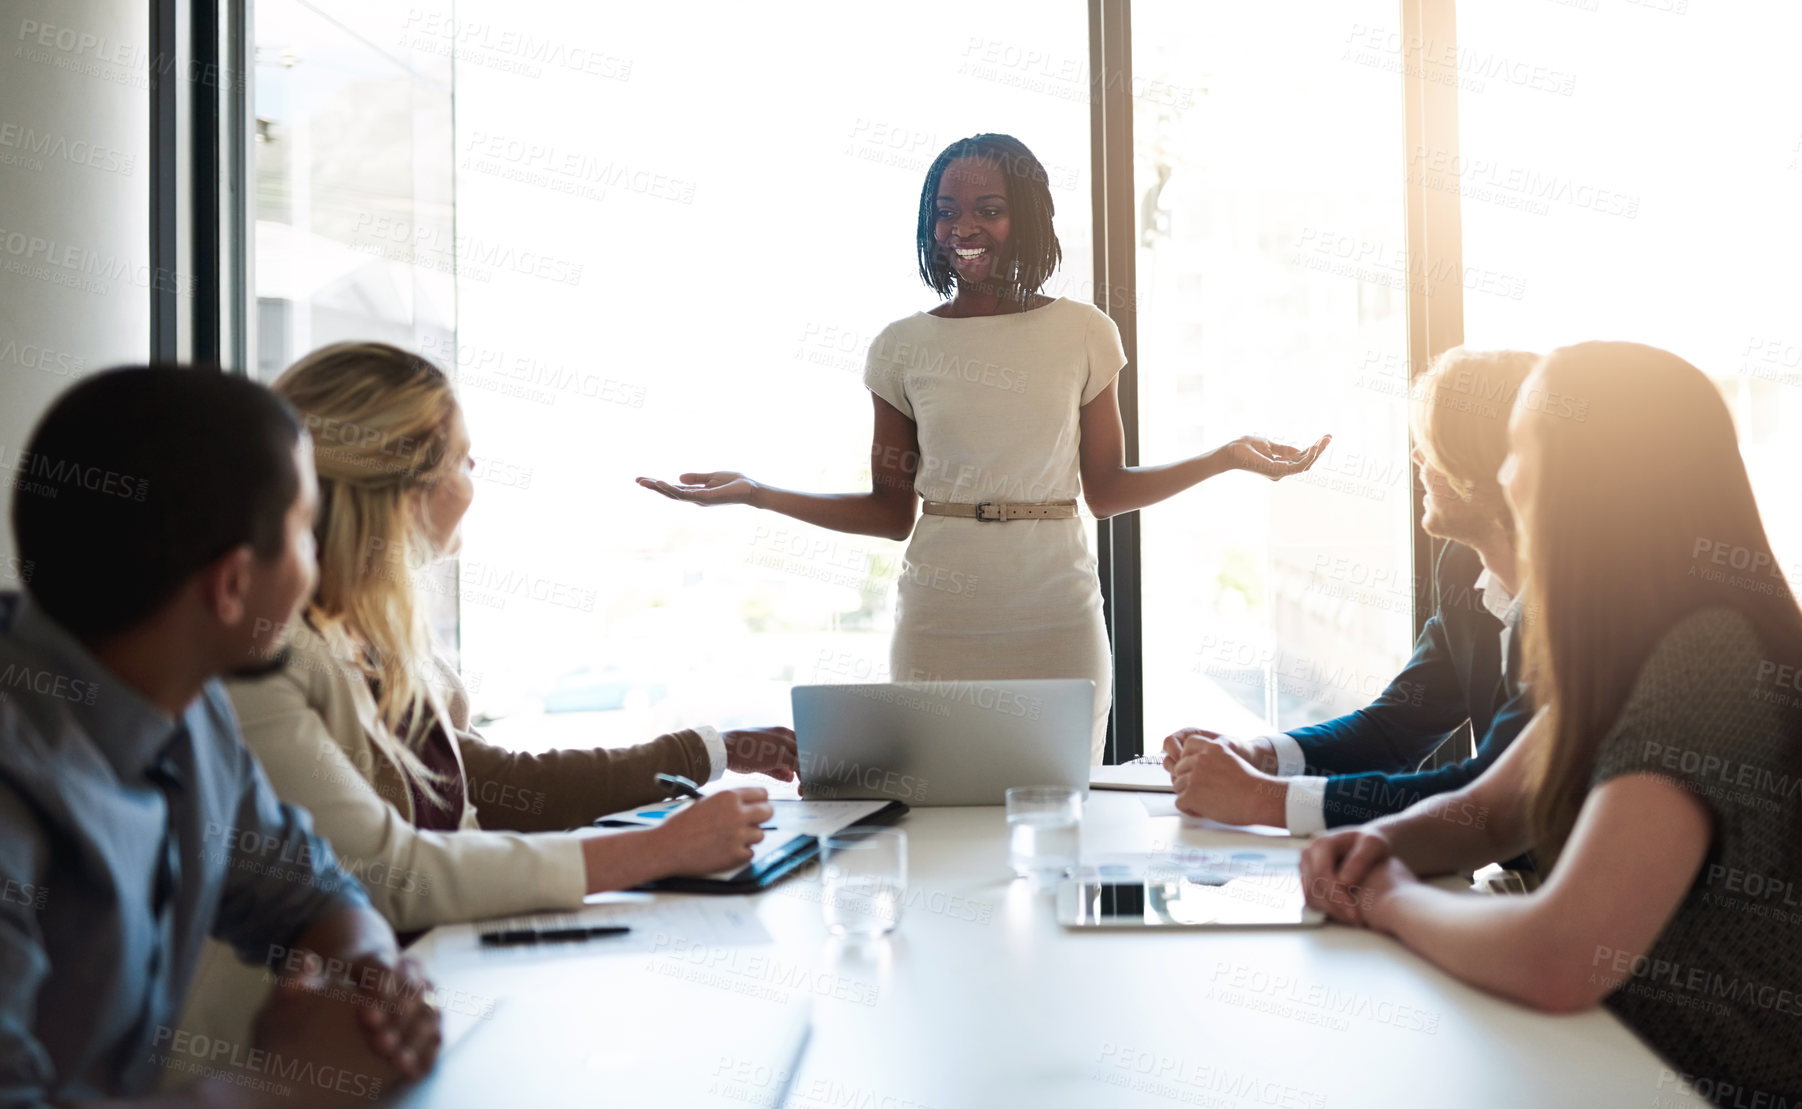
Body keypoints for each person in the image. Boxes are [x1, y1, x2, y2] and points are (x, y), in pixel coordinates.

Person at [174, 342, 794, 1048]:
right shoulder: (269, 657)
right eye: (464, 460)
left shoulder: (372, 640)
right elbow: (390, 870)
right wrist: (657, 850)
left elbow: (491, 784)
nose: (475, 479)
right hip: (284, 1058)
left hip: (416, 1006)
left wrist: (712, 749)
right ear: (402, 483)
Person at [640, 133, 1329, 761]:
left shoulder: (1086, 332)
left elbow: (1107, 490)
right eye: (945, 212)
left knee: (1060, 826)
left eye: (988, 209)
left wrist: (1226, 458)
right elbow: (889, 512)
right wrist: (757, 495)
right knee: (940, 818)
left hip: (1057, 618)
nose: (962, 227)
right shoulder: (901, 347)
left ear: (1025, 218)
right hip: (941, 622)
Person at [1301, 342, 1802, 1099]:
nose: (1503, 474)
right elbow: (1491, 811)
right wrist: (1378, 842)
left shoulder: (1709, 655)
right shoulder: (1633, 639)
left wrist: (1389, 897)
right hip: (1616, 1059)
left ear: (1591, 482)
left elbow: (1562, 954)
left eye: (1522, 450)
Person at [0, 366, 441, 1107]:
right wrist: (281, 1082)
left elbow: (314, 890)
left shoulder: (187, 712)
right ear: (232, 585)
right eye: (306, 530)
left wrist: (374, 982)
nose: (318, 562)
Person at [1163, 347, 1538, 834]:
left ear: (1488, 463)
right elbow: (1393, 728)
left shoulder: (1584, 610)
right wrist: (1259, 755)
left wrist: (1264, 800)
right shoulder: (1464, 569)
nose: (1417, 456)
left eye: (1435, 442)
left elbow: (1485, 793)